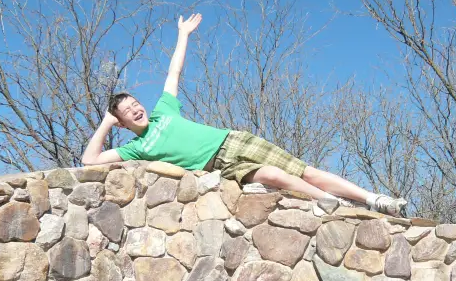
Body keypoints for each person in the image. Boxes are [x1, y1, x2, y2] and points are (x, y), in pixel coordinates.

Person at [82, 13, 408, 217]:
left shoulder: (162, 111)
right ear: (122, 123)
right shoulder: (134, 148)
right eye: (127, 112)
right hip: (220, 166)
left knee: (303, 171)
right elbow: (89, 162)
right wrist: (105, 123)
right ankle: (335, 204)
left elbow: (173, 73)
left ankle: (373, 199)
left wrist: (182, 36)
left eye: (135, 103)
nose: (135, 109)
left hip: (233, 142)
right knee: (273, 177)